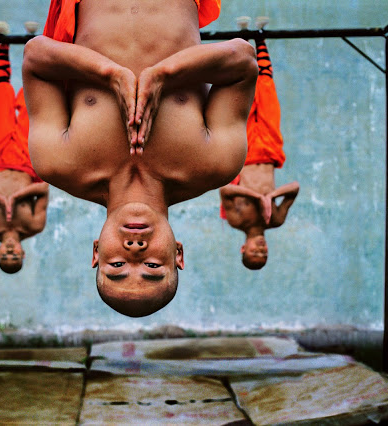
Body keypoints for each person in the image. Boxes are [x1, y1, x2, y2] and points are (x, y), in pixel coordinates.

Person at [22, 0, 257, 316]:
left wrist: (110, 75)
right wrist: (164, 74)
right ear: (178, 255)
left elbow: (36, 56)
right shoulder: (216, 163)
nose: (134, 252)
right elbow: (242, 60)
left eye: (116, 265)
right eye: (152, 266)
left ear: (96, 251)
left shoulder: (57, 162)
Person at [0, 22, 49, 274]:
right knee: (30, 101)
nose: (11, 252)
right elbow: (44, 189)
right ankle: (31, 41)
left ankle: (2, 43)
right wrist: (15, 198)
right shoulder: (35, 225)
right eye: (15, 256)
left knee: (1, 100)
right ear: (23, 253)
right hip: (27, 159)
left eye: (6, 256)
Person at [219, 28, 299, 270]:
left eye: (255, 252)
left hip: (244, 151)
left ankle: (242, 41)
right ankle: (260, 40)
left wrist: (255, 197)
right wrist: (271, 197)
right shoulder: (275, 219)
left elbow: (225, 191)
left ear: (243, 248)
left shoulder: (236, 220)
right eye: (264, 254)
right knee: (266, 95)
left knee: (242, 98)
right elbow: (294, 188)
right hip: (270, 150)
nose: (261, 249)